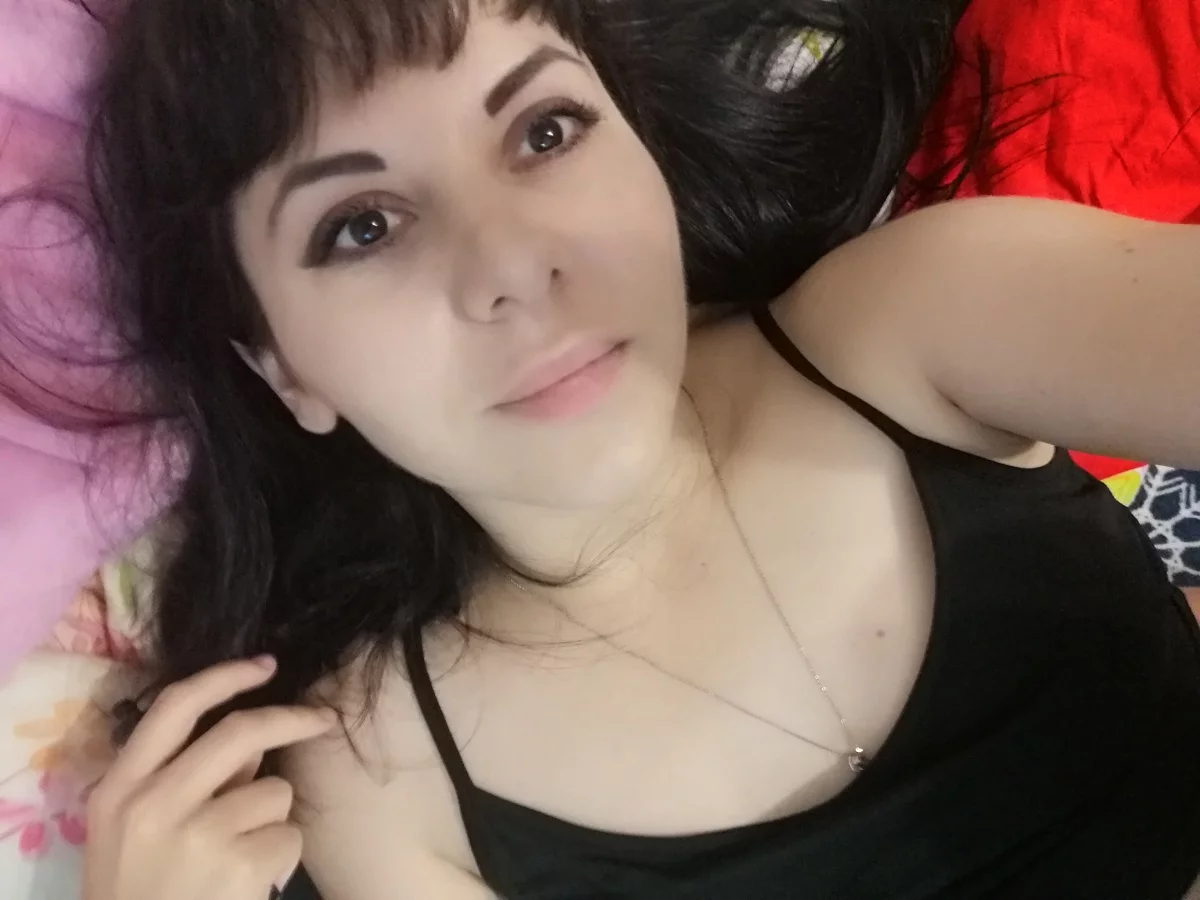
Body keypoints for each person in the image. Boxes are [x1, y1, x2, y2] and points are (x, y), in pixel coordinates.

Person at [11, 0, 1192, 896]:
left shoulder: (923, 314)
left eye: (547, 130)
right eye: (361, 226)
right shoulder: (375, 776)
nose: (513, 264)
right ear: (283, 369)